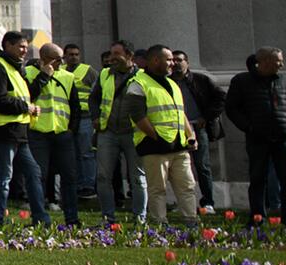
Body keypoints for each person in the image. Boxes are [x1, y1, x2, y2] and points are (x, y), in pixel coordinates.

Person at [226, 46, 286, 227]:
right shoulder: (242, 81)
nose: (282, 64)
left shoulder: (284, 81)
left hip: (283, 138)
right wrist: (248, 127)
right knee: (258, 178)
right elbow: (232, 108)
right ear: (266, 61)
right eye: (279, 61)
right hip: (258, 138)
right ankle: (258, 217)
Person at [0, 31, 47, 226]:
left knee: (32, 173)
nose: (24, 51)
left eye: (26, 48)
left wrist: (44, 77)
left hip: (18, 131)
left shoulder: (15, 68)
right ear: (7, 46)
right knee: (4, 176)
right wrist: (26, 107)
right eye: (21, 47)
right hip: (4, 129)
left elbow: (26, 94)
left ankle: (40, 218)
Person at [135, 43, 202, 224]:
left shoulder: (173, 83)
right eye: (169, 59)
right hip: (154, 147)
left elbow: (181, 114)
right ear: (155, 60)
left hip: (179, 146)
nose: (172, 63)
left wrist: (191, 135)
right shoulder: (138, 83)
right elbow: (137, 116)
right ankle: (159, 224)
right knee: (157, 189)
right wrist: (158, 138)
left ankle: (191, 221)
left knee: (187, 186)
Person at [24, 44, 81, 226]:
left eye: (61, 58)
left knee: (69, 177)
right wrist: (44, 76)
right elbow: (28, 97)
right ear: (44, 58)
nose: (61, 62)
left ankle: (72, 218)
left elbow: (75, 106)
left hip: (63, 133)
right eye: (57, 59)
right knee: (38, 177)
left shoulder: (67, 77)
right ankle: (39, 218)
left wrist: (72, 129)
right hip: (38, 133)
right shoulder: (29, 73)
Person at [91, 41, 146, 224]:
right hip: (108, 132)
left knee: (137, 177)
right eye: (111, 54)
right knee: (103, 176)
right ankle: (108, 217)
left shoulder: (143, 77)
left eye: (116, 54)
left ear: (129, 55)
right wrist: (95, 117)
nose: (112, 58)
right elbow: (94, 98)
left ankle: (140, 218)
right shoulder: (104, 74)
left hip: (133, 133)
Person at [174, 50, 220, 213]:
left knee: (202, 165)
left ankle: (208, 202)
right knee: (180, 168)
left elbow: (221, 98)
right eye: (173, 60)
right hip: (177, 129)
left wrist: (206, 117)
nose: (177, 63)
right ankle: (184, 202)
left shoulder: (200, 80)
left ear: (187, 62)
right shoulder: (169, 81)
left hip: (198, 128)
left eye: (180, 60)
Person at [63, 43, 98, 201]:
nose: (74, 57)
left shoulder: (88, 70)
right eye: (70, 54)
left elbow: (97, 91)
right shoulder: (60, 71)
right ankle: (77, 185)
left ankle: (88, 186)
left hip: (85, 116)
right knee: (73, 154)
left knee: (86, 153)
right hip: (66, 117)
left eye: (76, 54)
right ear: (65, 56)